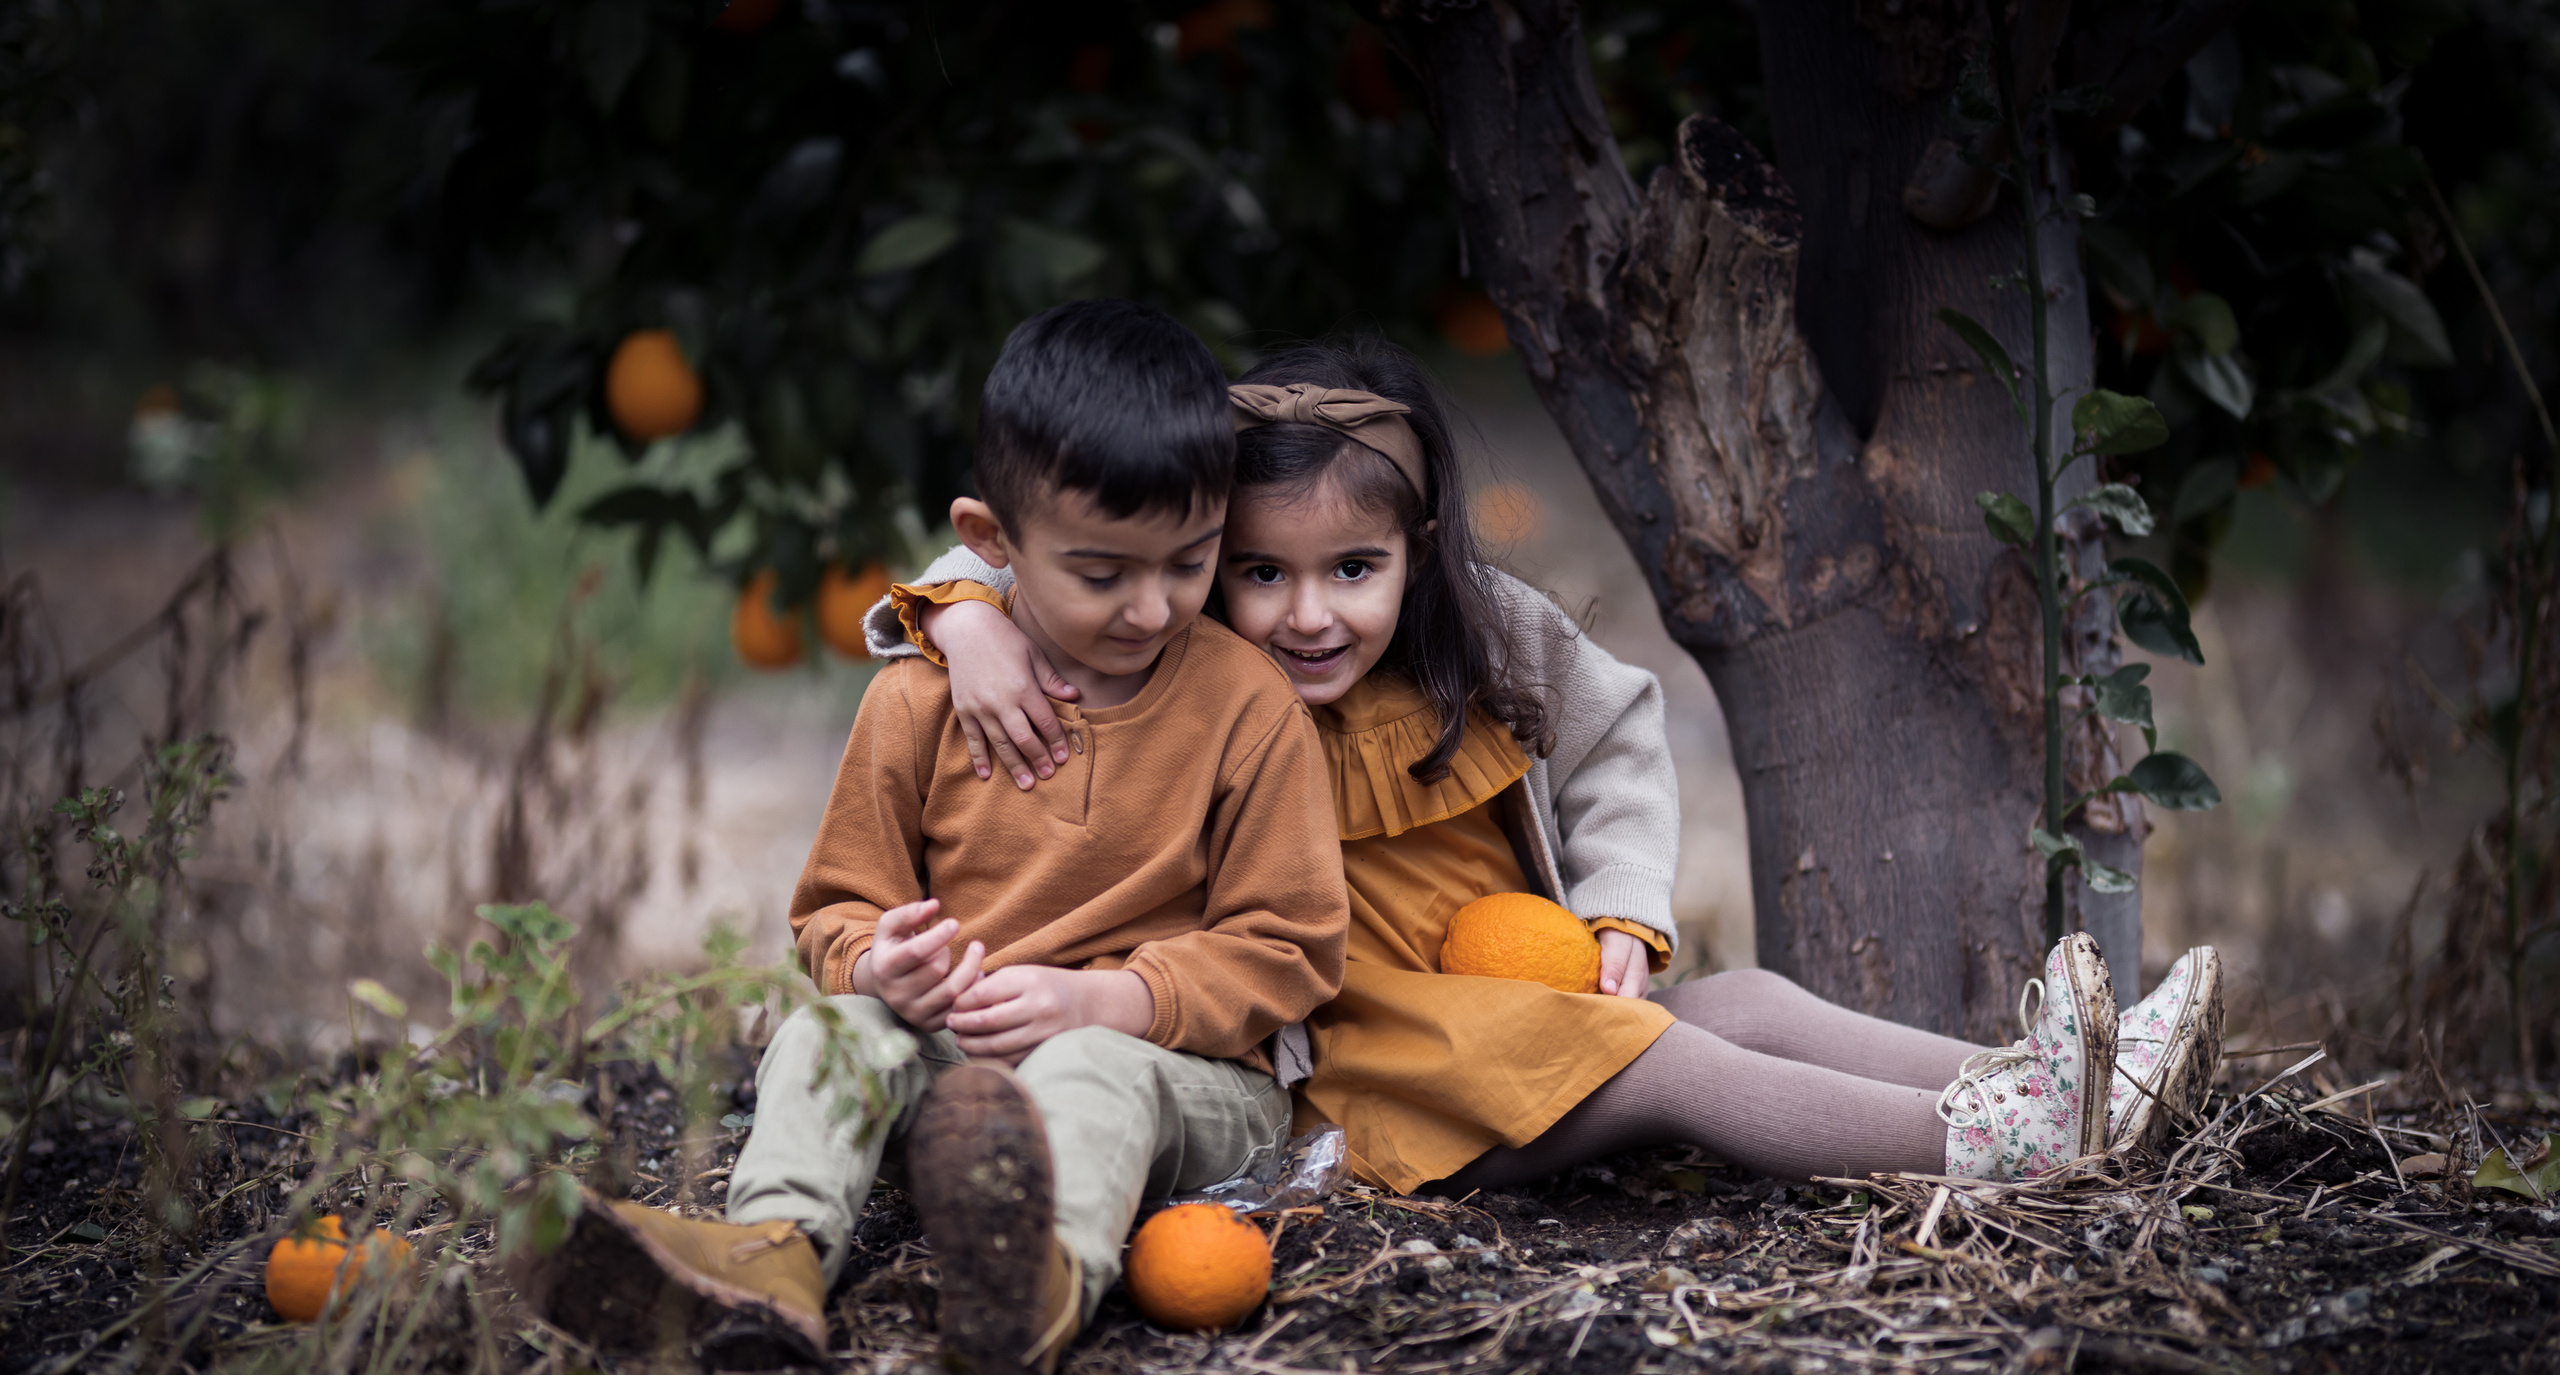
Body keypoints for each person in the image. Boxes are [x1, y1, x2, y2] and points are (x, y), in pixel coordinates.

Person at [879, 334, 2226, 1202]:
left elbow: (1621, 731)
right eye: (1258, 572)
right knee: (1665, 1066)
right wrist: (970, 617)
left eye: (1354, 569)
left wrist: (1622, 903)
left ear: (1416, 550)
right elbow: (1051, 550)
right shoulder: (1185, 657)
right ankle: (2016, 1146)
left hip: (1498, 997)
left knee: (1739, 994)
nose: (1308, 614)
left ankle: (2056, 1077)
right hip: (1364, 1068)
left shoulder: (1480, 627)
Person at [519, 301, 1346, 1375]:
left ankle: (1035, 1289)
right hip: (968, 1078)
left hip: (1179, 1079)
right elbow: (833, 913)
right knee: (831, 1031)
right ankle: (776, 1256)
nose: (1152, 608)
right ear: (990, 543)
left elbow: (1290, 946)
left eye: (1191, 564)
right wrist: (883, 967)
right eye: (1102, 574)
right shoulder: (917, 703)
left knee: (1093, 1069)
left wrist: (1106, 1000)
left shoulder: (1245, 706)